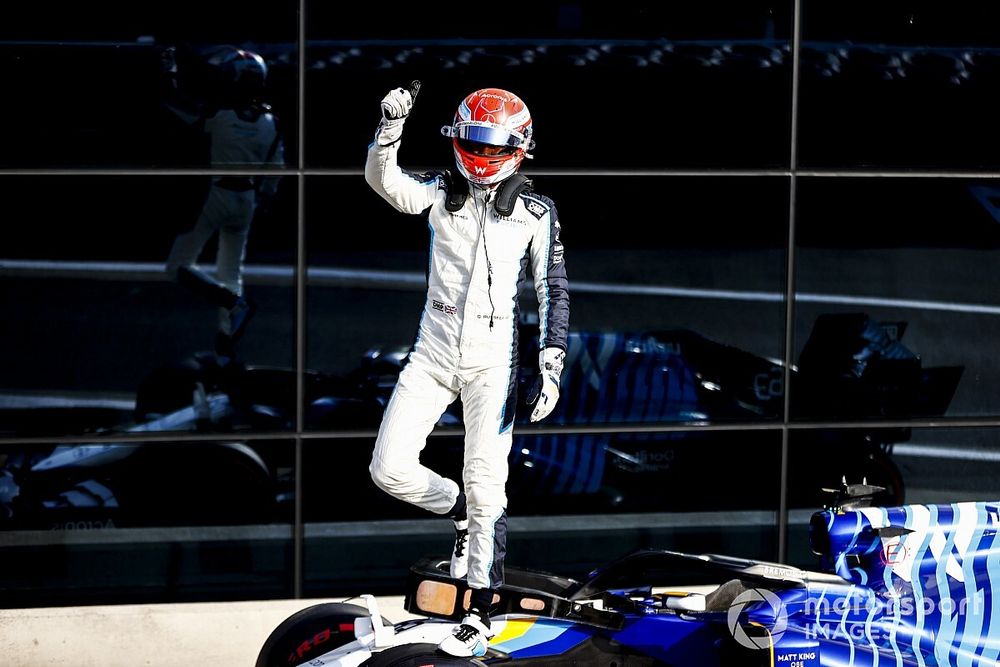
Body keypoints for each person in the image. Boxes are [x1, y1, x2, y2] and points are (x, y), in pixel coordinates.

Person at [365, 84, 569, 657]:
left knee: (489, 486)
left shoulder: (536, 211)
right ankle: (455, 510)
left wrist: (550, 363)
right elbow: (386, 184)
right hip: (430, 354)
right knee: (389, 471)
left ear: (519, 147)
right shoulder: (436, 191)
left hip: (492, 364)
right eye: (474, 140)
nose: (481, 154)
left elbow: (553, 289)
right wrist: (389, 130)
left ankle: (481, 607)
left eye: (493, 144)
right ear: (457, 137)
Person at [163, 45, 284, 365]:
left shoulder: (219, 115)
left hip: (215, 195)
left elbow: (178, 108)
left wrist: (170, 72)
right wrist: (266, 198)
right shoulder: (270, 123)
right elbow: (275, 170)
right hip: (247, 201)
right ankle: (225, 347)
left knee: (178, 268)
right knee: (231, 270)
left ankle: (233, 303)